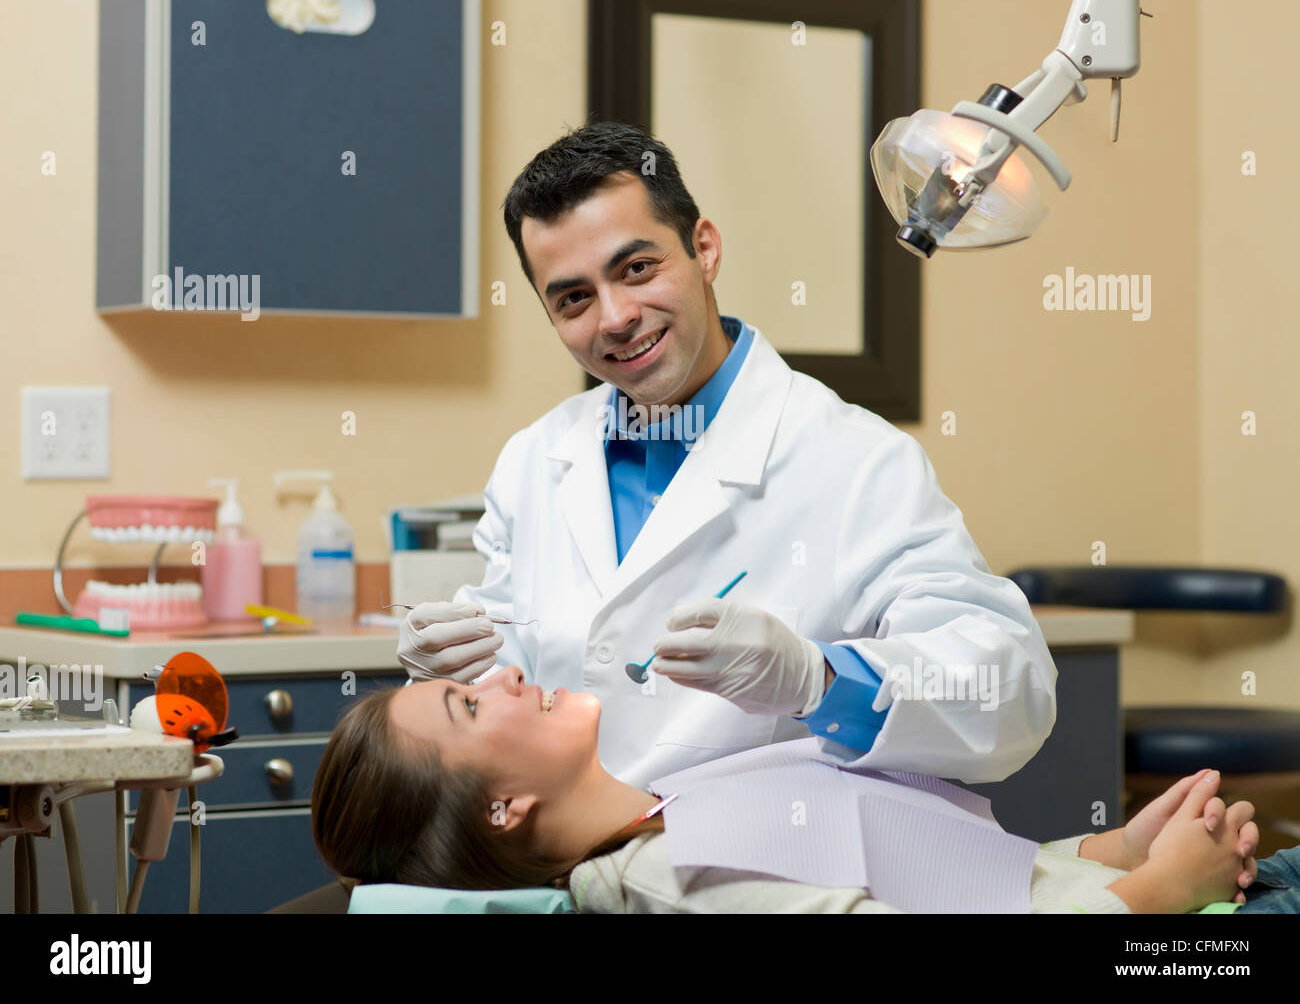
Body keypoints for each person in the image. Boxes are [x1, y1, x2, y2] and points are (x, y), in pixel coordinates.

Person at [396, 121, 1056, 791]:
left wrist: (817, 677)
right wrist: (449, 671)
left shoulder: (857, 461)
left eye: (637, 268)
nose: (616, 316)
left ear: (704, 249)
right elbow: (518, 662)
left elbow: (1009, 691)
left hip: (759, 872)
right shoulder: (533, 460)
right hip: (571, 869)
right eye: (573, 298)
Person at [311, 667, 1296, 915]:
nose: (502, 678)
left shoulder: (677, 810)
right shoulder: (683, 877)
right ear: (502, 808)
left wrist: (1113, 850)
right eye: (469, 708)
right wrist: (1160, 898)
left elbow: (947, 883)